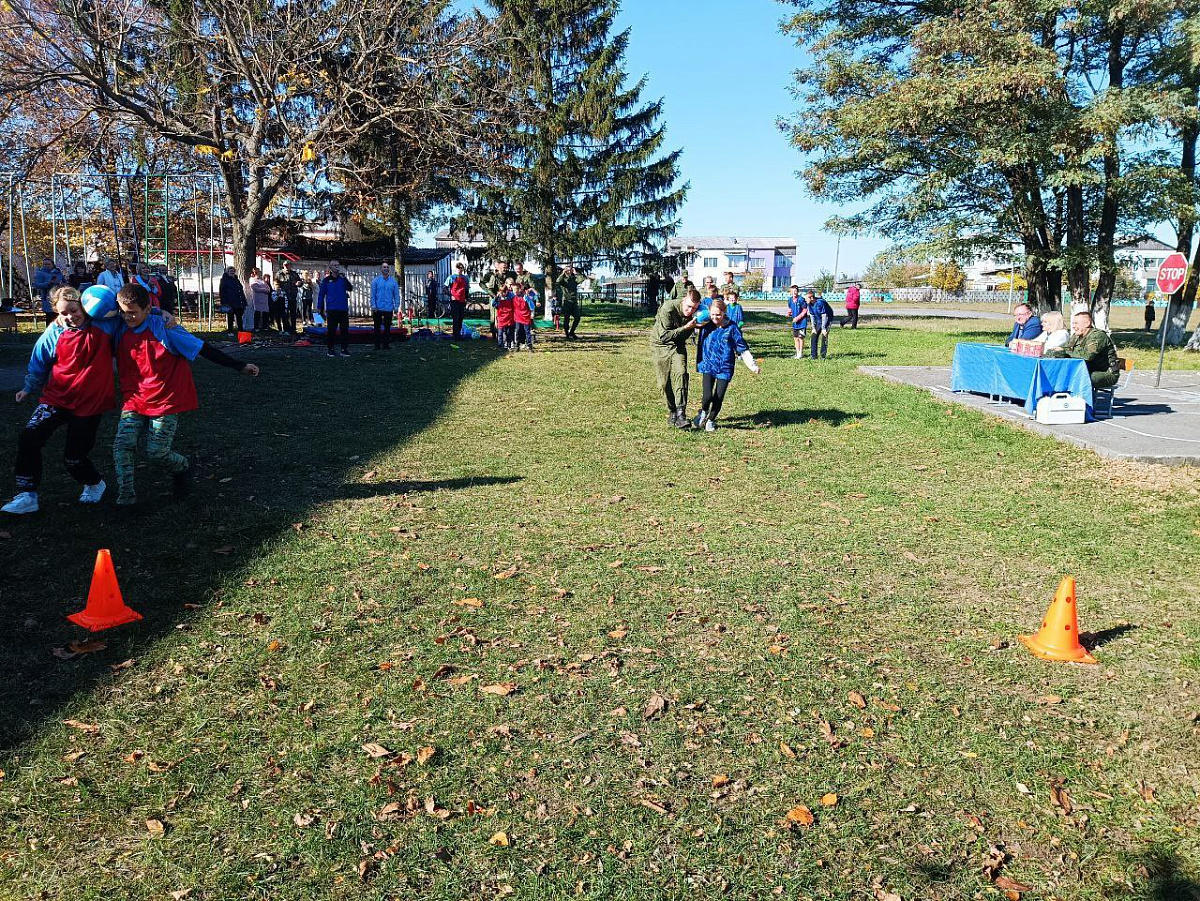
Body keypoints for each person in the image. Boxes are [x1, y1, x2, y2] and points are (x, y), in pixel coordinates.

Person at [109, 283, 259, 507]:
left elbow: (203, 348)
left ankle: (183, 467)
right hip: (134, 400)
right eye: (123, 312)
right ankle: (126, 497)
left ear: (147, 309)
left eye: (132, 313)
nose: (127, 317)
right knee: (122, 446)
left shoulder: (165, 329)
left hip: (165, 401)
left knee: (156, 452)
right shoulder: (119, 327)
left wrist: (239, 365)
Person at [2, 287, 115, 514]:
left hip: (89, 403)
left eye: (74, 310)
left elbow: (133, 313)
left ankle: (94, 483)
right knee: (29, 437)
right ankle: (27, 495)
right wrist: (28, 387)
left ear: (84, 307)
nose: (70, 316)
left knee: (74, 458)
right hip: (57, 398)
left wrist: (158, 313)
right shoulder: (54, 332)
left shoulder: (105, 325)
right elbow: (39, 361)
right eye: (63, 313)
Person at [694, 297, 761, 432]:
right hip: (708, 365)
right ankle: (703, 412)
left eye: (718, 315)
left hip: (725, 367)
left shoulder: (732, 327)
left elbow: (742, 347)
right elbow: (693, 323)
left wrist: (752, 365)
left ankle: (711, 420)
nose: (715, 318)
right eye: (712, 314)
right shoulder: (706, 324)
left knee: (718, 396)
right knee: (707, 396)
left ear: (724, 312)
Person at [651, 288, 702, 429]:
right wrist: (686, 327)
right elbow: (664, 336)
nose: (690, 311)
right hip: (660, 345)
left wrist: (702, 323)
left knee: (681, 373)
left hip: (678, 344)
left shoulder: (697, 313)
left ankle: (681, 414)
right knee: (663, 382)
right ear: (683, 300)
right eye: (689, 306)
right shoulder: (668, 308)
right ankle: (672, 410)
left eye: (694, 308)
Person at [1045, 310, 1120, 390]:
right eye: (1073, 323)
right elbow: (1063, 348)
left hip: (1106, 373)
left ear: (1087, 323)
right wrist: (1053, 352)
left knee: (1078, 378)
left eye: (1076, 323)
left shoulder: (1098, 336)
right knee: (1057, 374)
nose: (1073, 326)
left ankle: (1080, 398)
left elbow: (1086, 356)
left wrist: (1063, 352)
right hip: (1087, 369)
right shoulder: (1076, 336)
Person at [318, 263, 353, 357]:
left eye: (338, 265)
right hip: (332, 309)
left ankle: (344, 349)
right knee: (331, 330)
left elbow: (350, 288)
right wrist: (319, 307)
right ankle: (330, 349)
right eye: (334, 265)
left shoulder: (342, 279)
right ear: (330, 268)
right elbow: (321, 294)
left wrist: (345, 279)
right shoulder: (326, 280)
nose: (337, 266)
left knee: (344, 330)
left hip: (343, 309)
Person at [370, 262, 400, 349]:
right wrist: (373, 306)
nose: (386, 268)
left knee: (387, 328)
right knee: (377, 327)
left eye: (387, 267)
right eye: (384, 267)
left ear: (389, 269)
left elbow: (396, 295)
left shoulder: (393, 282)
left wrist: (396, 306)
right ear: (381, 269)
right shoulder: (375, 281)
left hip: (388, 308)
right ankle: (377, 345)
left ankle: (386, 345)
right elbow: (372, 295)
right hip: (377, 308)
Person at [32, 258, 65, 324]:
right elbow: (37, 285)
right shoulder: (40, 273)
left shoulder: (58, 273)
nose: (46, 266)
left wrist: (62, 284)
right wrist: (48, 283)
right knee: (50, 318)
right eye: (45, 264)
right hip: (47, 298)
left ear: (53, 265)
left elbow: (64, 282)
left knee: (60, 317)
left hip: (59, 297)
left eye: (48, 264)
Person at [445, 263, 471, 338]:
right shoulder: (451, 277)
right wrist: (451, 296)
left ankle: (458, 334)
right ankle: (455, 335)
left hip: (462, 300)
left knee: (461, 318)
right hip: (454, 301)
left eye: (461, 268)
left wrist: (466, 298)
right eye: (458, 268)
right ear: (456, 269)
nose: (460, 270)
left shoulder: (465, 278)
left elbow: (466, 289)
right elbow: (445, 288)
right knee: (455, 318)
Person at [276, 261, 302, 335]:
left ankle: (293, 329)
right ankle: (286, 329)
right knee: (285, 314)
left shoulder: (294, 274)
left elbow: (300, 282)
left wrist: (299, 283)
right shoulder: (279, 274)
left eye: (288, 265)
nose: (287, 266)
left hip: (293, 296)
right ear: (283, 265)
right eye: (285, 265)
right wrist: (278, 289)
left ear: (290, 266)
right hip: (284, 297)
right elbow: (276, 283)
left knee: (293, 314)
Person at [218, 266, 246, 333]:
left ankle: (240, 330)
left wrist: (243, 301)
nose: (232, 272)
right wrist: (224, 302)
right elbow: (222, 292)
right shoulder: (224, 280)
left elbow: (240, 291)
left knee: (239, 317)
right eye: (231, 271)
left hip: (238, 301)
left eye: (233, 271)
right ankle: (230, 330)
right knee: (230, 317)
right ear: (227, 272)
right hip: (230, 301)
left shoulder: (236, 280)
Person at [807, 290, 834, 359]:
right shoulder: (809, 304)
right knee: (814, 335)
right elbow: (812, 316)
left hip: (827, 319)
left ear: (812, 298)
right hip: (818, 320)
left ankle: (823, 355)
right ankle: (813, 355)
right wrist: (813, 328)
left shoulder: (820, 302)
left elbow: (824, 316)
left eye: (807, 298)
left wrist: (824, 328)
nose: (806, 300)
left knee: (824, 335)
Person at [559, 263, 583, 339]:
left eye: (570, 270)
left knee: (577, 317)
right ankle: (567, 334)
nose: (569, 271)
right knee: (566, 318)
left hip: (574, 302)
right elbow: (558, 281)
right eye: (568, 270)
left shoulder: (574, 278)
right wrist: (562, 273)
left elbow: (581, 279)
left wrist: (576, 273)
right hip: (566, 301)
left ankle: (572, 332)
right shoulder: (564, 279)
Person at [787, 286, 809, 359]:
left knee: (801, 338)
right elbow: (790, 308)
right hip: (795, 323)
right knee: (795, 338)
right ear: (790, 292)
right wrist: (789, 313)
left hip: (802, 322)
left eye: (795, 291)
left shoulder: (801, 299)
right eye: (792, 291)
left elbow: (805, 310)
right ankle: (797, 353)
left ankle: (800, 353)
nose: (794, 293)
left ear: (798, 291)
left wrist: (798, 317)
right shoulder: (790, 300)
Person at [514, 283, 537, 351]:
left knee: (527, 332)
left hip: (526, 318)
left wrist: (527, 299)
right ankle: (517, 345)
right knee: (518, 331)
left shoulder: (526, 297)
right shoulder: (513, 297)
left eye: (516, 289)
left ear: (520, 289)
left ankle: (529, 346)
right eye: (514, 289)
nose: (515, 291)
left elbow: (532, 307)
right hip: (517, 317)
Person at [492, 284, 515, 350]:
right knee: (500, 333)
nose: (503, 294)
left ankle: (508, 345)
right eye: (501, 292)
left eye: (504, 292)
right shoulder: (498, 298)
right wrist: (496, 298)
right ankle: (500, 345)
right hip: (501, 318)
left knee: (508, 332)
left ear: (507, 291)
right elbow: (493, 304)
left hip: (508, 317)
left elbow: (513, 305)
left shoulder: (511, 296)